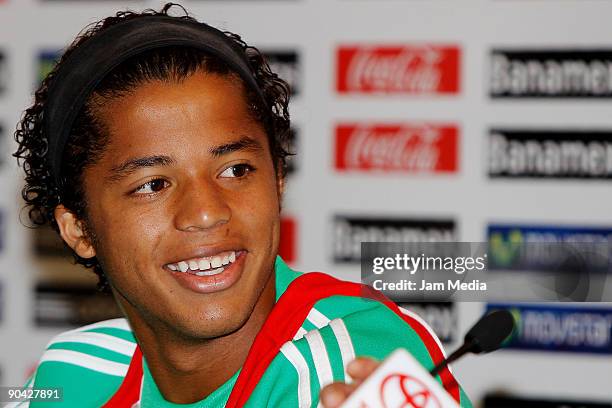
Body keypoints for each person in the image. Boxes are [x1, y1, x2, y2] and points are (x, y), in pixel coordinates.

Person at [13, 3, 472, 407]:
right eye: (153, 184)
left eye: (235, 170)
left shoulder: (352, 363)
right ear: (79, 230)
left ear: (277, 179)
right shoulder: (70, 375)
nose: (207, 212)